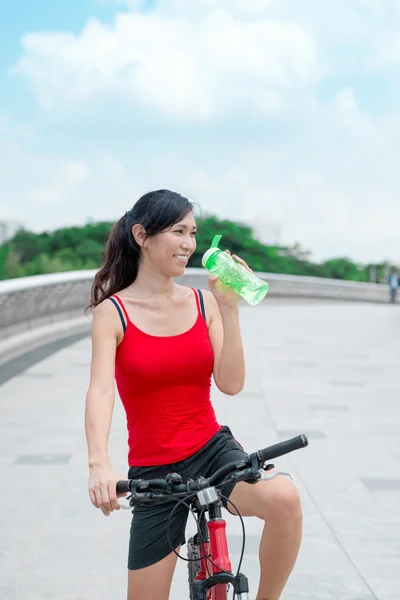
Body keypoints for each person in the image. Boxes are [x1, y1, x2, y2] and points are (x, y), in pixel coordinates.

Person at [84, 189, 302, 600]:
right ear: (142, 236)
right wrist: (99, 464)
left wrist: (230, 308)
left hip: (212, 451)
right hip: (154, 471)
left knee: (284, 499)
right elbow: (100, 391)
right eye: (179, 232)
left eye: (193, 233)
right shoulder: (114, 312)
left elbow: (231, 383)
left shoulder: (204, 304)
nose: (189, 244)